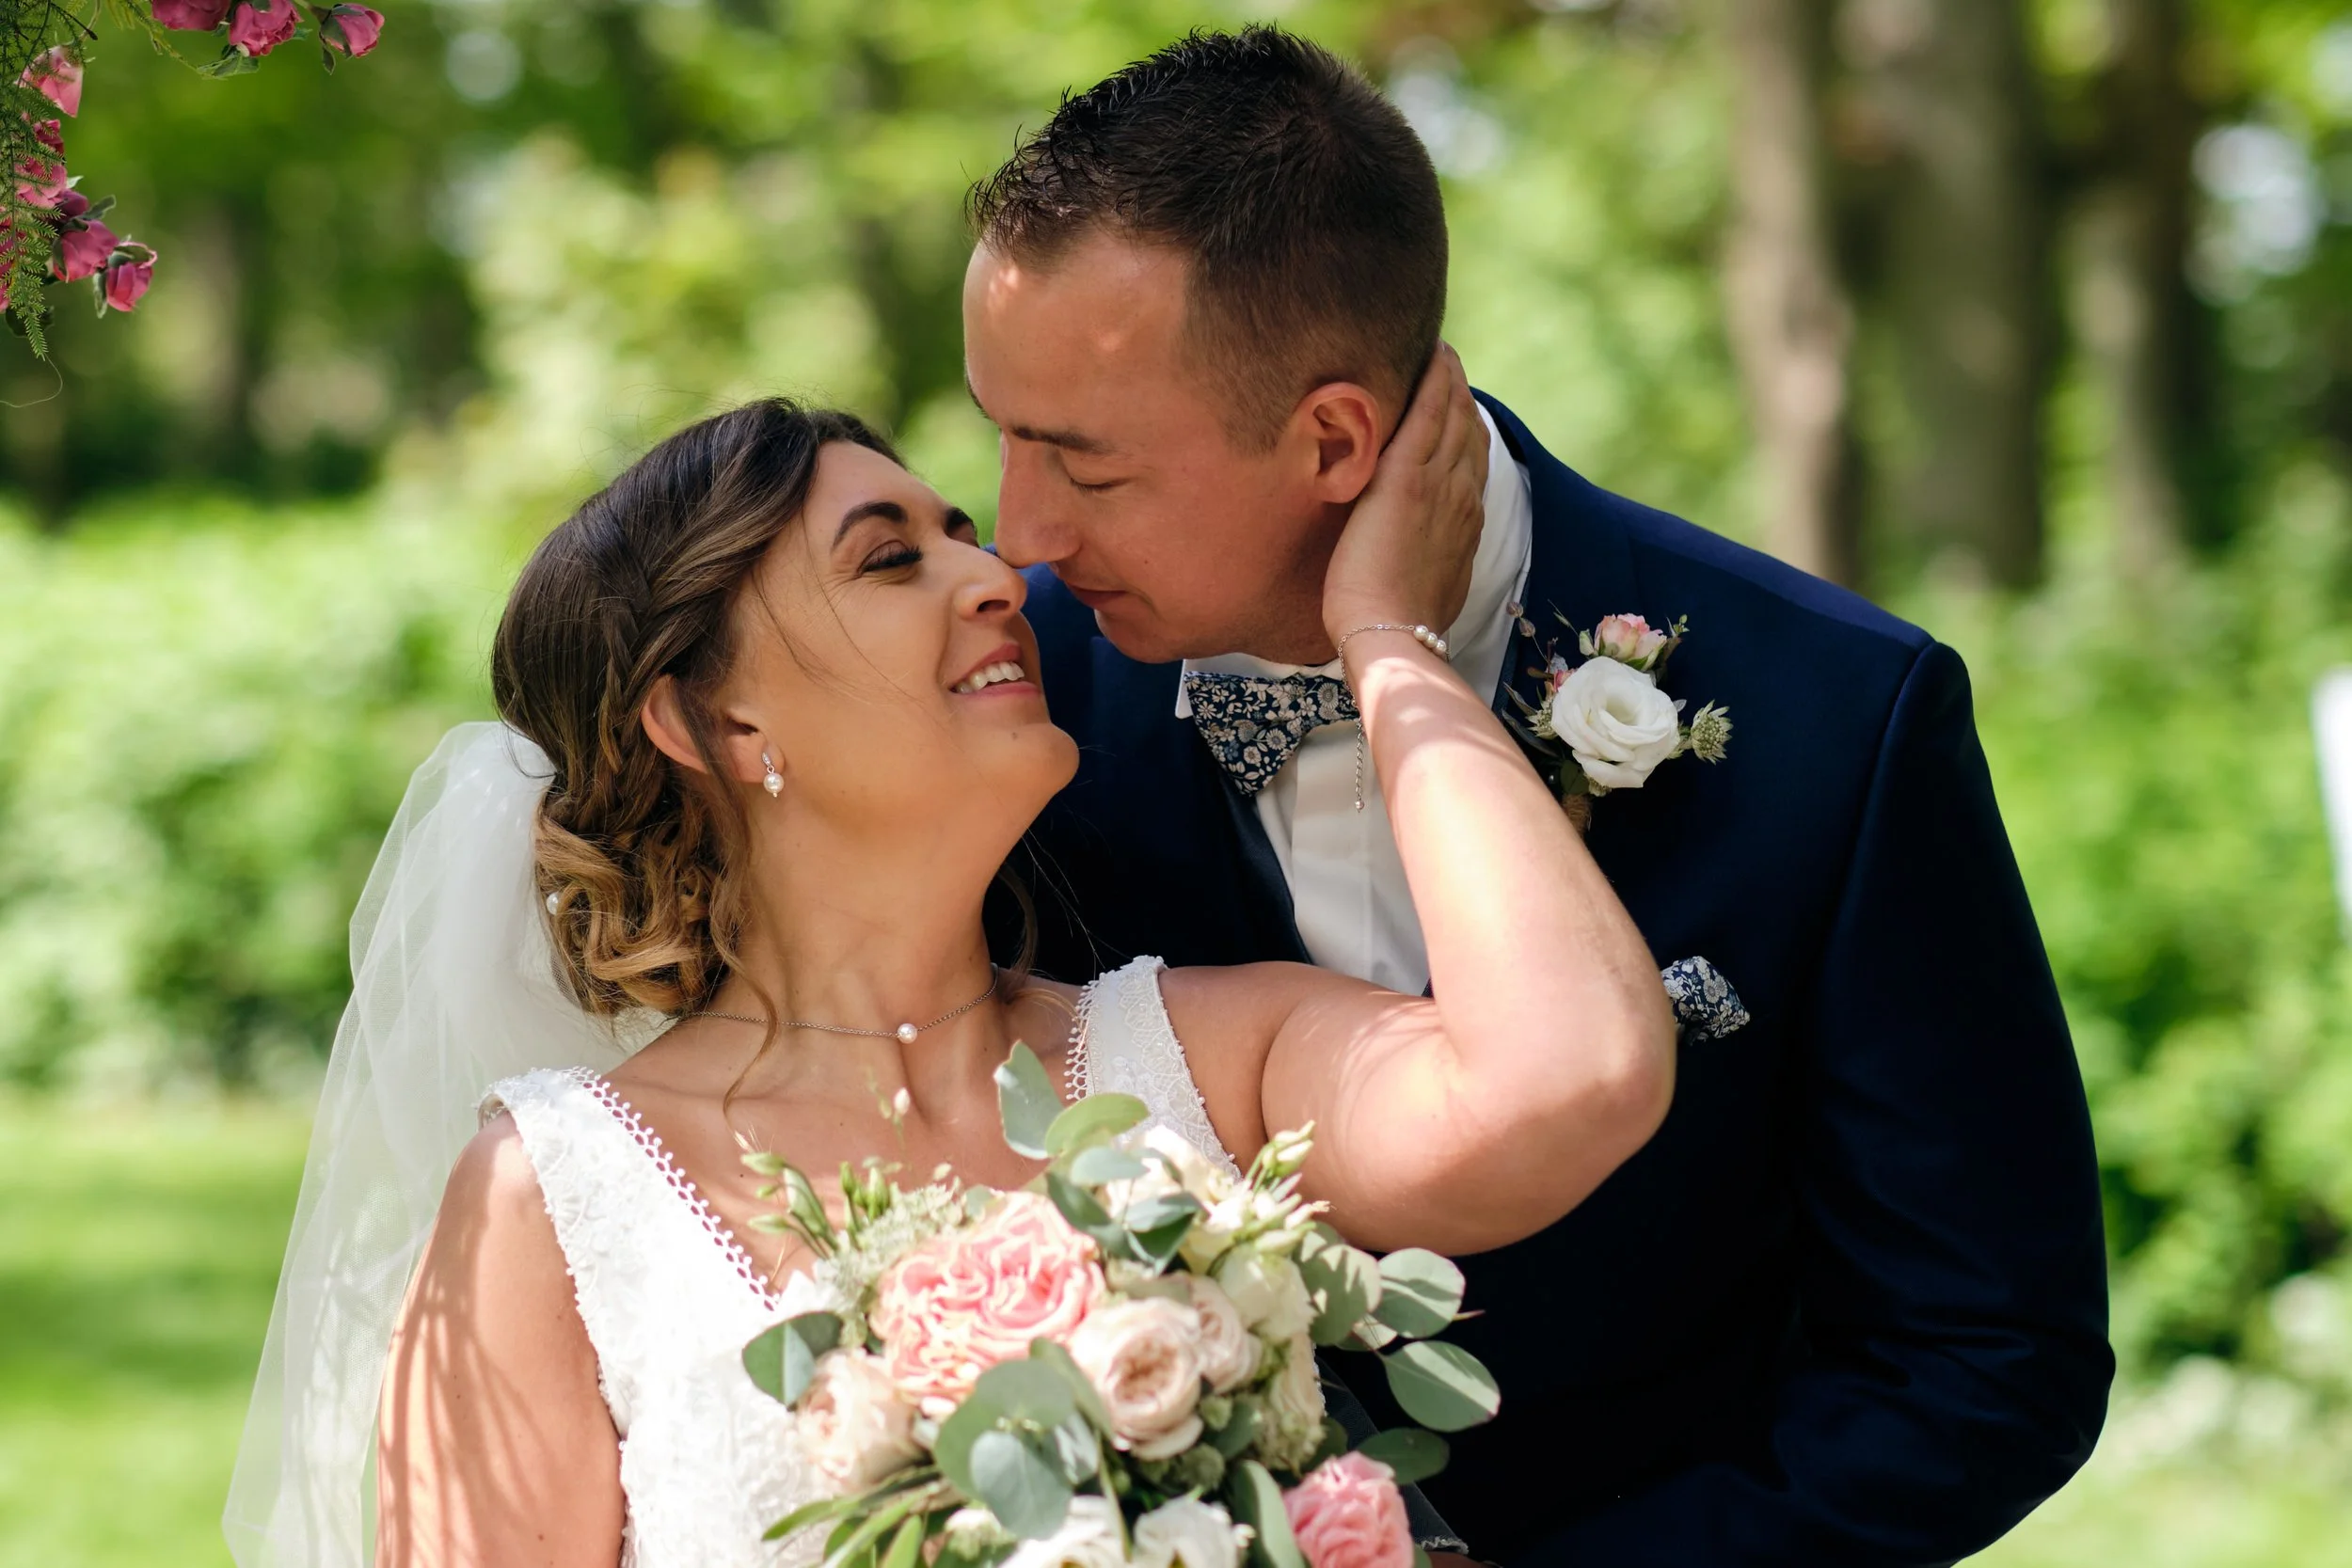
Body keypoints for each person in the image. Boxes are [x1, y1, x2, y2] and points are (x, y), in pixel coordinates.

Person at [962, 26, 2114, 1567]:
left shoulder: (1835, 717)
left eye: (1084, 467)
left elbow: (1986, 1356)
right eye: (1002, 434)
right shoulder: (1003, 711)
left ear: (1334, 439)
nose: (1019, 533)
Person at [224, 381, 1677, 1568]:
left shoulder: (1217, 1062)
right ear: (717, 722)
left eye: (964, 537)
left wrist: (1386, 640)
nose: (1000, 580)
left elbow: (1575, 1071)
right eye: (891, 558)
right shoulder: (552, 1200)